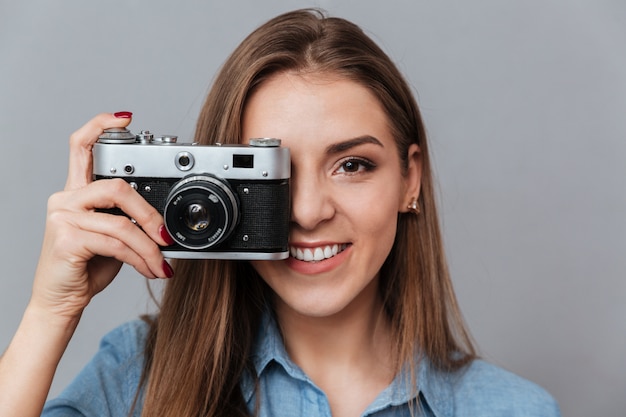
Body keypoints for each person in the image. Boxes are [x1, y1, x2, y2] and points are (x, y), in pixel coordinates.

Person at [0, 8, 560, 417]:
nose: (309, 211)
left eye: (352, 165)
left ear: (410, 179)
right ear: (216, 184)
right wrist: (52, 310)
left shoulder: (514, 410)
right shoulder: (136, 377)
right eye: (273, 174)